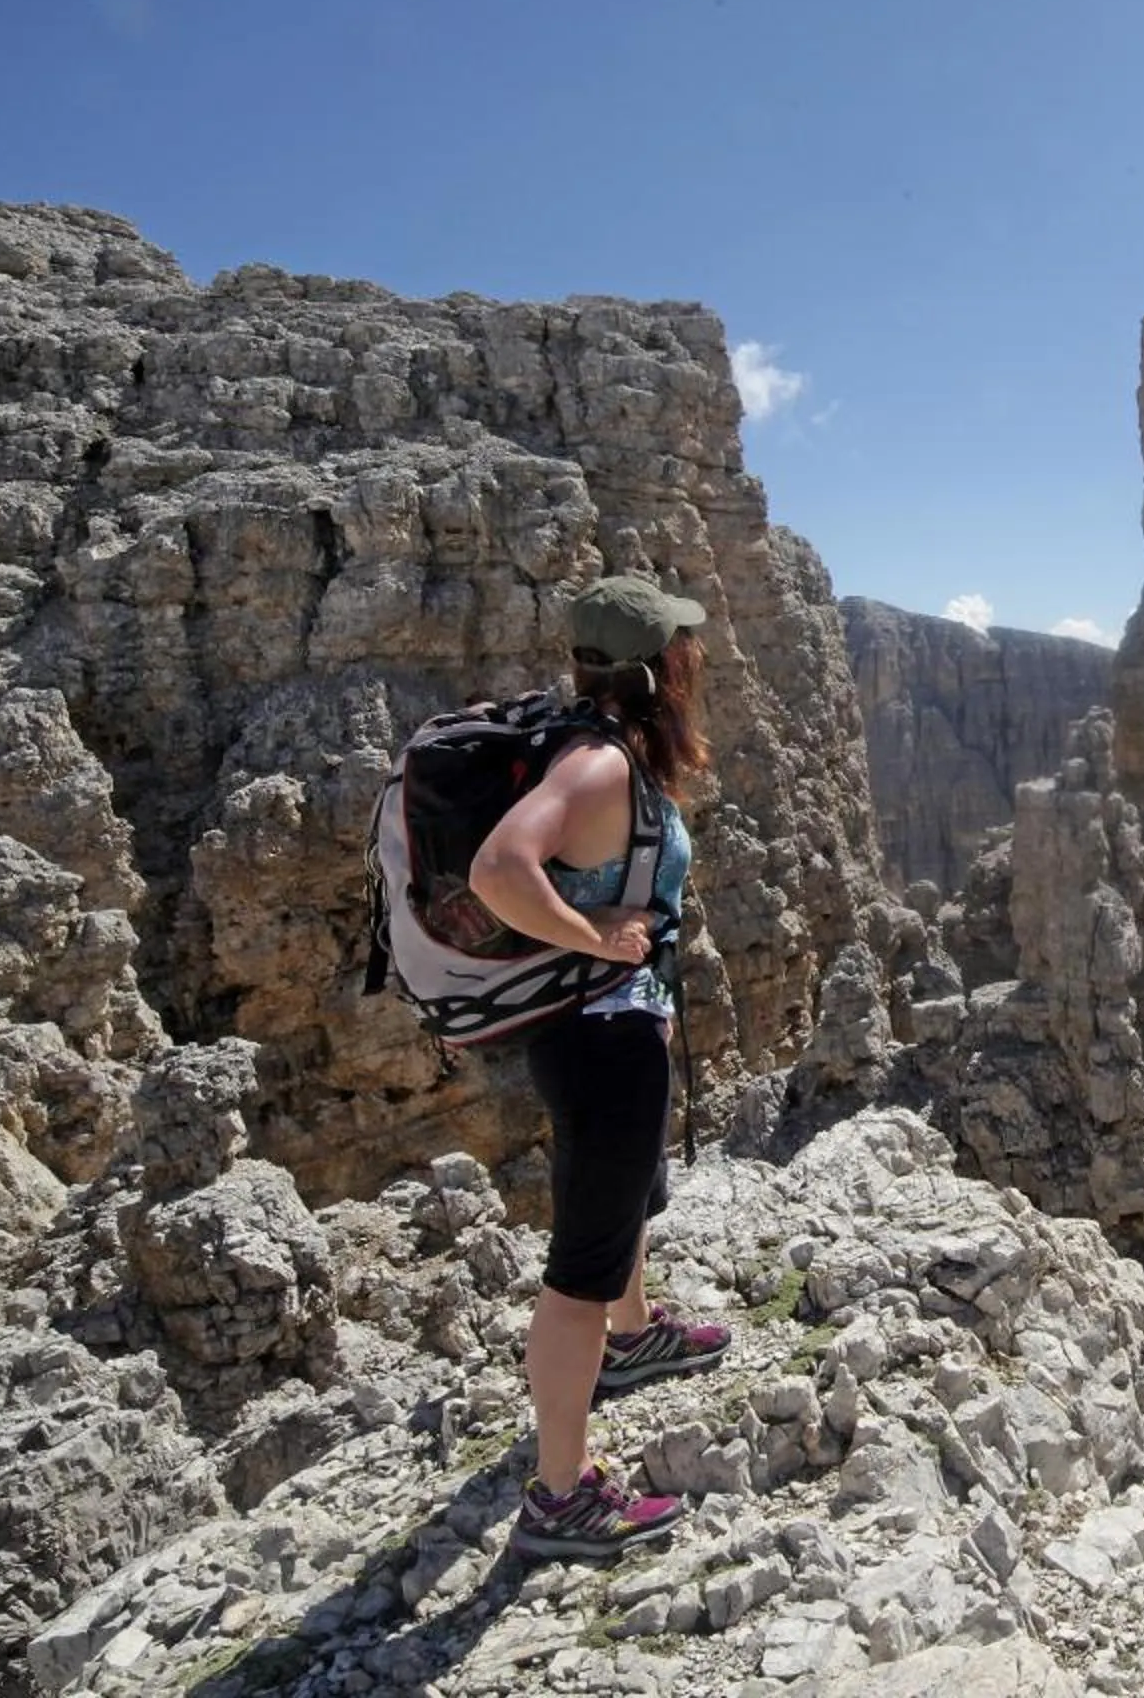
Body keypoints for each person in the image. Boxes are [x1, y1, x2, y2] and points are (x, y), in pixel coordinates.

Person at [469, 573, 734, 1561]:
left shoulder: (608, 749)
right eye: (680, 644)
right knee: (575, 1269)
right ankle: (560, 1496)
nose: (693, 656)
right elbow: (502, 868)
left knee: (622, 1205)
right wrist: (597, 940)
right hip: (598, 1036)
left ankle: (634, 1333)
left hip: (613, 1028)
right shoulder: (598, 767)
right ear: (652, 666)